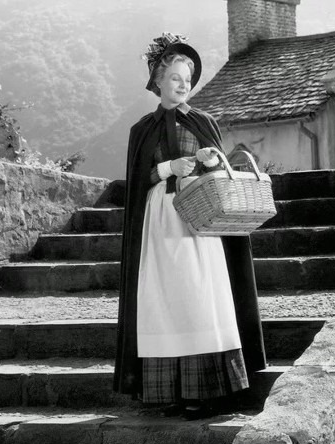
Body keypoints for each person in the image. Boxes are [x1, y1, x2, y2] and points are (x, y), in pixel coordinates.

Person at [113, 33, 266, 420]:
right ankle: (169, 391)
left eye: (187, 79)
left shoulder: (204, 122)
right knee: (164, 299)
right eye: (175, 78)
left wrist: (208, 160)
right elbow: (138, 180)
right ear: (158, 81)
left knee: (199, 296)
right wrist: (168, 167)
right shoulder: (141, 130)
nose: (182, 85)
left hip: (198, 222)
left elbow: (219, 176)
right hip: (160, 220)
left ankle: (203, 391)